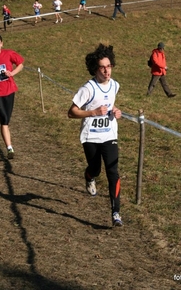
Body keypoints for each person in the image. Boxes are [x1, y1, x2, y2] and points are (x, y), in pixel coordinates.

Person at [68, 43, 123, 227]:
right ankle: (89, 176)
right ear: (95, 69)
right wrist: (93, 113)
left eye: (109, 66)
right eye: (103, 67)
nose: (107, 71)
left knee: (112, 172)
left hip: (109, 135)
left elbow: (110, 105)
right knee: (96, 169)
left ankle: (116, 213)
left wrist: (116, 111)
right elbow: (72, 112)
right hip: (91, 136)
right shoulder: (88, 88)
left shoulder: (115, 85)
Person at [0, 33, 24, 159]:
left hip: (9, 90)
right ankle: (10, 149)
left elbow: (20, 64)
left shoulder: (8, 53)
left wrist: (12, 73)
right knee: (4, 119)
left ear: (2, 44)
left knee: (6, 118)